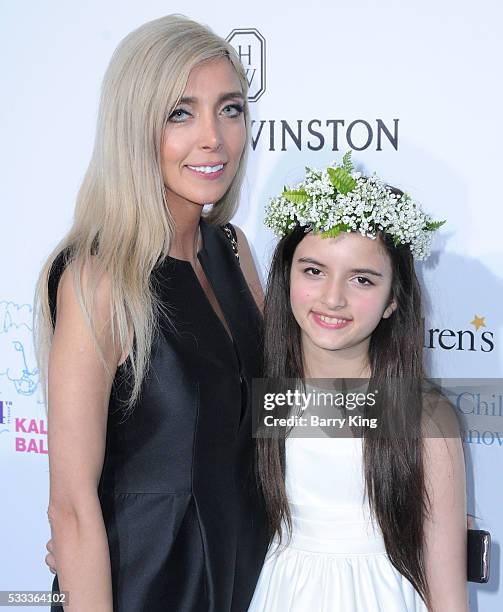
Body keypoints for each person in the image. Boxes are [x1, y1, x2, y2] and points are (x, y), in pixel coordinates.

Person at [35, 14, 269, 612]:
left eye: (231, 109)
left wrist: (417, 422)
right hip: (148, 584)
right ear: (134, 128)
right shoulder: (100, 276)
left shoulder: (234, 251)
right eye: (180, 113)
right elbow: (71, 506)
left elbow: (277, 415)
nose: (213, 138)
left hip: (247, 572)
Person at [249, 154, 468, 611]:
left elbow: (449, 596)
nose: (333, 297)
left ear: (393, 300)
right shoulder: (260, 396)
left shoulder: (423, 416)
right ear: (286, 276)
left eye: (362, 280)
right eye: (313, 270)